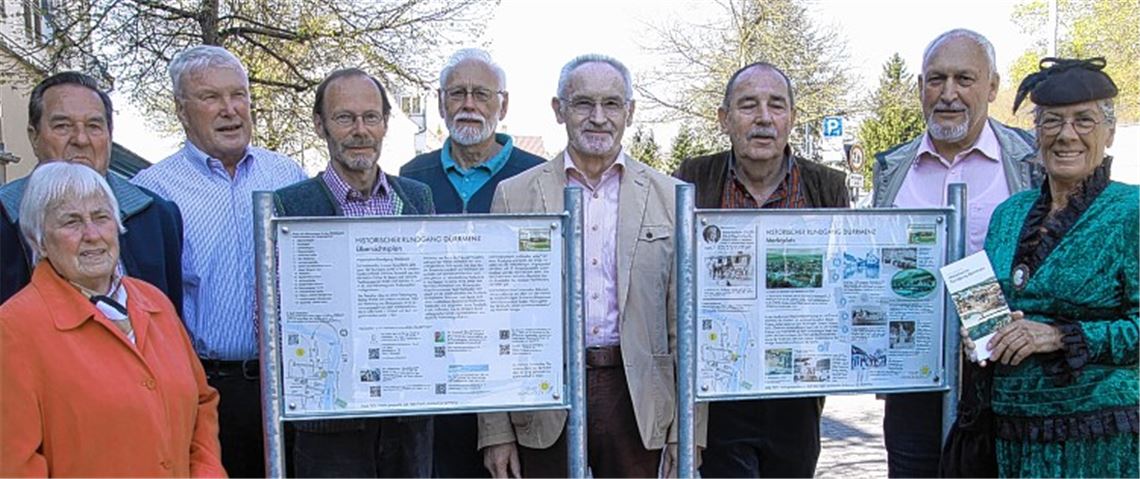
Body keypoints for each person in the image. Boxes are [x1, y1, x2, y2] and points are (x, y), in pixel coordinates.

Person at [479, 54, 703, 478]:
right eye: (583, 103)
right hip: (544, 401)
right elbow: (496, 318)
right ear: (558, 109)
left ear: (630, 112)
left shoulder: (671, 197)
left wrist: (688, 431)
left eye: (612, 104)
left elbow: (688, 326)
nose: (598, 117)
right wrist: (495, 431)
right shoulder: (515, 196)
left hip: (639, 399)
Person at [871, 29, 1042, 478]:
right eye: (936, 79)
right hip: (913, 378)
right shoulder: (893, 168)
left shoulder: (1031, 161)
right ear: (919, 87)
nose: (949, 94)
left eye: (964, 79)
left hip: (1006, 377)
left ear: (992, 87)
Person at [132, 45, 308, 478]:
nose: (230, 109)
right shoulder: (152, 191)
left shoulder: (288, 178)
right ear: (181, 110)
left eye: (239, 95)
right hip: (203, 390)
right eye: (211, 97)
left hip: (288, 388)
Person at [960, 56, 1138, 478]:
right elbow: (984, 310)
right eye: (1052, 121)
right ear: (1036, 132)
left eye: (1084, 121)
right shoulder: (1008, 214)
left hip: (1098, 445)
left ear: (1110, 132)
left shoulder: (1131, 212)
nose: (1066, 135)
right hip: (1009, 437)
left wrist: (1058, 336)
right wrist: (979, 339)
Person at [674, 61, 848, 478]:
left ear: (792, 117)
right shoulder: (692, 178)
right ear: (724, 119)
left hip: (797, 387)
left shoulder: (827, 186)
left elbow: (843, 278)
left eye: (777, 105)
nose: (764, 118)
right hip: (719, 386)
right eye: (748, 105)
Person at [0, 162, 224, 477]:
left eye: (102, 217)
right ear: (39, 241)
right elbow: (14, 464)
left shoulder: (153, 301)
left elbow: (201, 403)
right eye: (71, 222)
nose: (92, 234)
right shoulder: (15, 328)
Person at [274, 68, 435, 478]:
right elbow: (273, 317)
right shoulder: (290, 206)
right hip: (330, 425)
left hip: (406, 417)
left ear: (385, 123)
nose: (360, 130)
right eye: (345, 118)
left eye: (371, 117)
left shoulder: (416, 198)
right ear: (320, 125)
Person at [399, 47, 543, 478]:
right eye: (457, 93)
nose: (468, 105)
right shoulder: (412, 176)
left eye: (481, 94)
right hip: (434, 380)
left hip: (511, 377)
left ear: (504, 103)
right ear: (441, 102)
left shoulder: (534, 177)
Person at [0, 72, 183, 314]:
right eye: (62, 126)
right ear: (34, 137)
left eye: (94, 126)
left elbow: (170, 320)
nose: (81, 139)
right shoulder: (5, 214)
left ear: (109, 135)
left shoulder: (156, 215)